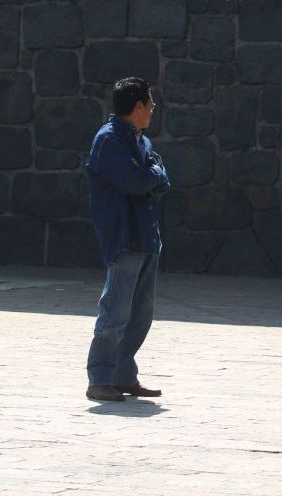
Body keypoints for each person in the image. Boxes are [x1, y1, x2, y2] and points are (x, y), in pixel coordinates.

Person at [84, 77, 171, 402]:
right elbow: (137, 180)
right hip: (124, 237)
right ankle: (100, 377)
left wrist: (151, 174)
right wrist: (152, 174)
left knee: (140, 313)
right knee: (116, 311)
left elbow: (159, 176)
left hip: (146, 236)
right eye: (150, 104)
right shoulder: (109, 141)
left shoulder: (139, 140)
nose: (152, 110)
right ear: (138, 107)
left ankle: (123, 374)